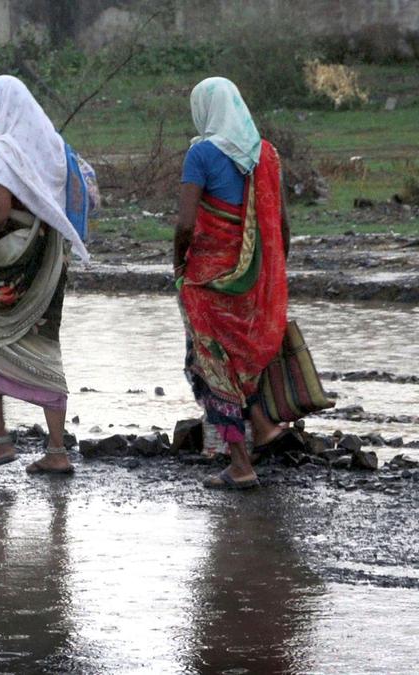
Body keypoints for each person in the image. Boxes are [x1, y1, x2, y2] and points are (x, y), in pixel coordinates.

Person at [0, 75, 91, 473]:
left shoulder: (3, 150)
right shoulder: (53, 147)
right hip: (48, 261)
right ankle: (57, 451)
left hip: (11, 263)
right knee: (45, 343)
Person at [175, 77, 290, 490]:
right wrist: (268, 275)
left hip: (210, 280)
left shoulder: (201, 153)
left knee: (210, 365)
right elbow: (281, 227)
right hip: (255, 279)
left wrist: (177, 263)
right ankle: (261, 427)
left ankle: (240, 463)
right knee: (242, 358)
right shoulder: (267, 156)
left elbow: (187, 223)